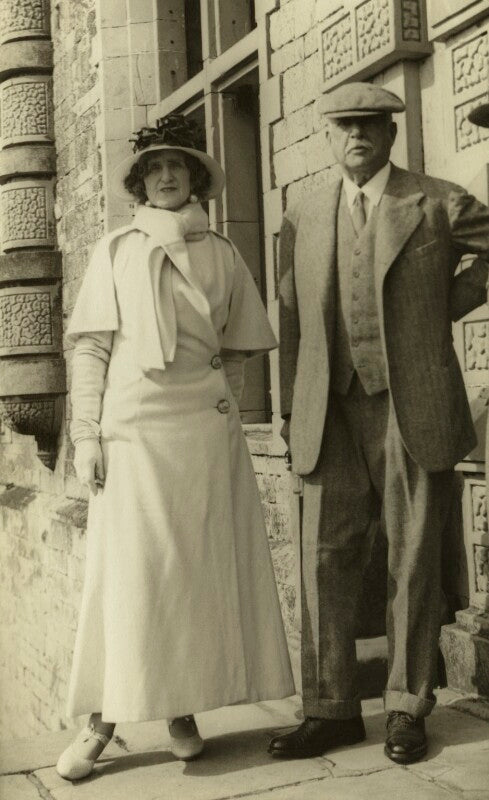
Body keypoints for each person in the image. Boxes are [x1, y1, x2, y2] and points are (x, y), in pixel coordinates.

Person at [57, 115, 294, 781]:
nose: (167, 176)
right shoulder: (114, 251)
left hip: (203, 433)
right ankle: (101, 721)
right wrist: (86, 438)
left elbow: (240, 350)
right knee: (134, 576)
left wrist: (227, 410)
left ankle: (181, 710)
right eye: (155, 168)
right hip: (132, 433)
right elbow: (91, 349)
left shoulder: (221, 252)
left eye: (179, 167)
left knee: (192, 576)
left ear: (195, 179)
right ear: (138, 181)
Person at [269, 82, 489, 765]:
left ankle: (405, 706)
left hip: (411, 403)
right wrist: (286, 410)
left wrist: (441, 308)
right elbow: (291, 315)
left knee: (413, 555)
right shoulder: (301, 211)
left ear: (392, 134)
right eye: (343, 125)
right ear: (326, 136)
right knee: (323, 560)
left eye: (370, 124)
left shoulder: (436, 199)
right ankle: (330, 708)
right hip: (326, 409)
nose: (357, 135)